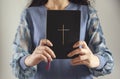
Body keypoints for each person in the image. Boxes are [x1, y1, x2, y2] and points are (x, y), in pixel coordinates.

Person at [10, 0, 114, 79]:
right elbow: (16, 65)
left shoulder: (88, 13)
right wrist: (29, 60)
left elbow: (107, 61)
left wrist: (94, 60)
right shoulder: (29, 15)